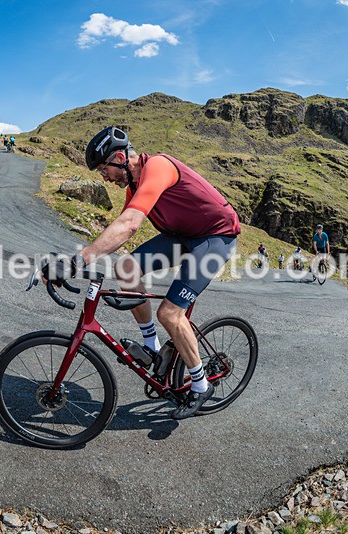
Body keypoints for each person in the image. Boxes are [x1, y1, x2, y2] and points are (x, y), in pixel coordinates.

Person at [40, 126, 240, 420]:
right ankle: (154, 349)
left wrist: (77, 262)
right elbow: (121, 226)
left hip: (215, 236)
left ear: (120, 157)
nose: (103, 177)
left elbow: (130, 224)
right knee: (126, 268)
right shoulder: (134, 186)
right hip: (183, 236)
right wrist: (77, 260)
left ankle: (200, 385)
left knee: (170, 313)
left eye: (103, 169)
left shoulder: (158, 166)